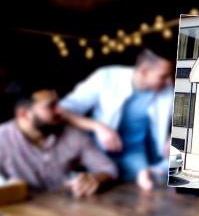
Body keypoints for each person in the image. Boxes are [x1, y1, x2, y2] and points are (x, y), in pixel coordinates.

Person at [59, 47, 174, 191]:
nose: (169, 81)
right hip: (99, 154)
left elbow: (183, 118)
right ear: (144, 71)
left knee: (146, 190)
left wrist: (173, 136)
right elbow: (61, 110)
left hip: (136, 156)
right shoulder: (105, 77)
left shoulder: (167, 90)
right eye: (163, 76)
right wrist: (97, 126)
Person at [0, 83, 118, 198]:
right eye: (51, 106)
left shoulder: (71, 134)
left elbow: (108, 168)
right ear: (23, 114)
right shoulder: (2, 140)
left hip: (64, 207)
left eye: (58, 104)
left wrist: (96, 179)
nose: (60, 111)